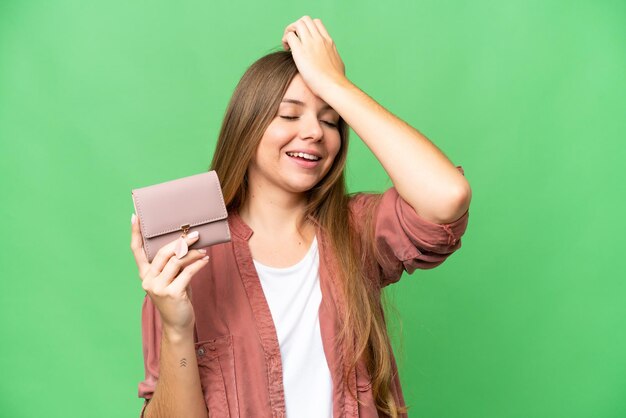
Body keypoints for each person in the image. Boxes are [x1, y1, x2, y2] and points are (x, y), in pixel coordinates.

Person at [130, 15, 471, 418]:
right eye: (290, 115)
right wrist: (175, 327)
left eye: (330, 120)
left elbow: (447, 196)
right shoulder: (188, 257)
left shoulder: (356, 229)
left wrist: (335, 84)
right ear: (247, 125)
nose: (314, 132)